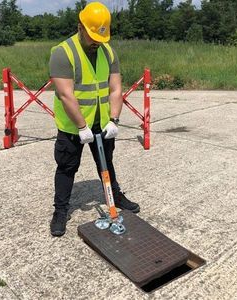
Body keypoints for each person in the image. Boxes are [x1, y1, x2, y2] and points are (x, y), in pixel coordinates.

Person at [49, 2, 140, 237]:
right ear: (80, 27)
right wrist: (81, 127)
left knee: (106, 163)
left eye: (100, 37)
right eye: (91, 36)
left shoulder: (108, 51)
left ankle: (115, 196)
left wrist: (114, 120)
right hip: (73, 126)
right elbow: (66, 95)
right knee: (67, 167)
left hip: (102, 122)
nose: (96, 41)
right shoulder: (62, 53)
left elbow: (116, 89)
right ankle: (60, 211)